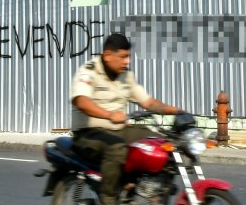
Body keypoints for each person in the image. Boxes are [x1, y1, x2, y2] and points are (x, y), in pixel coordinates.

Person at [71, 33, 181, 205]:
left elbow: (148, 102)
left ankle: (143, 189)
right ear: (108, 55)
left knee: (159, 143)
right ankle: (108, 198)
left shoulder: (126, 75)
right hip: (88, 132)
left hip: (118, 129)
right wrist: (109, 115)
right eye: (123, 57)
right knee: (116, 148)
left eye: (128, 57)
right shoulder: (88, 71)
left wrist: (177, 111)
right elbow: (81, 102)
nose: (127, 62)